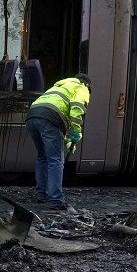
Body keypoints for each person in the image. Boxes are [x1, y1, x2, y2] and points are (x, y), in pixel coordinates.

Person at [25, 73, 91, 210]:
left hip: (32, 116)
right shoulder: (81, 88)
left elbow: (60, 116)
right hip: (50, 118)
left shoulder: (60, 85)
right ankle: (56, 200)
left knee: (43, 156)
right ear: (87, 85)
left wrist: (67, 140)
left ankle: (41, 194)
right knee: (55, 160)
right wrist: (75, 132)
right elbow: (76, 110)